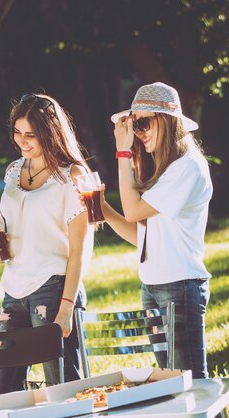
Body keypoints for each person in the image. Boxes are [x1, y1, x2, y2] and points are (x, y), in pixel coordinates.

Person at [99, 82, 212, 378]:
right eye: (135, 126)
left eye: (144, 123)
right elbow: (141, 236)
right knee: (170, 384)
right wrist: (99, 208)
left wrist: (122, 154)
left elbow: (134, 210)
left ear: (167, 121)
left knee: (190, 385)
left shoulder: (187, 167)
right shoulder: (164, 170)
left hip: (180, 286)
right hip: (153, 286)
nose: (139, 133)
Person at [0, 93, 93, 395]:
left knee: (64, 390)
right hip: (14, 289)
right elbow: (19, 227)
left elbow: (80, 247)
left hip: (54, 288)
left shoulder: (72, 176)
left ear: (51, 132)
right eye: (17, 133)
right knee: (0, 393)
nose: (22, 141)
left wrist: (67, 307)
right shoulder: (14, 171)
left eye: (31, 135)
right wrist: (0, 245)